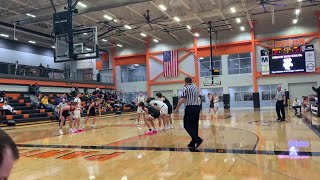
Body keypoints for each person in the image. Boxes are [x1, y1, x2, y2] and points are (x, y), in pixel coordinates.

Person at [175, 77, 203, 149]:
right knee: (194, 126)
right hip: (197, 107)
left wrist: (177, 108)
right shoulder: (196, 88)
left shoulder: (186, 88)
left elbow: (182, 99)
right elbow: (197, 98)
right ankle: (193, 143)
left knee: (186, 125)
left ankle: (197, 140)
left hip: (190, 108)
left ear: (185, 82)